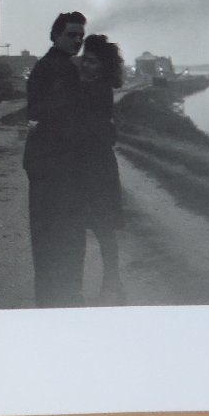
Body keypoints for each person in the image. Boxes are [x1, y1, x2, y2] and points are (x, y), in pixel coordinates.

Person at [22, 10, 90, 308]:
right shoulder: (49, 68)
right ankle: (57, 299)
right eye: (71, 35)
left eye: (80, 36)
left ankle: (57, 297)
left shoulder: (64, 67)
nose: (77, 40)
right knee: (57, 236)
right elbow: (37, 110)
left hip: (58, 165)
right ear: (55, 35)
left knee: (62, 236)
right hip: (53, 167)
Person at [78, 34, 126, 305]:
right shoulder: (92, 86)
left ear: (103, 66)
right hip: (93, 165)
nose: (87, 65)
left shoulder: (96, 89)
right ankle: (112, 281)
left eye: (93, 62)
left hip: (96, 168)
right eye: (85, 60)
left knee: (102, 228)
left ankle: (111, 282)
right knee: (100, 227)